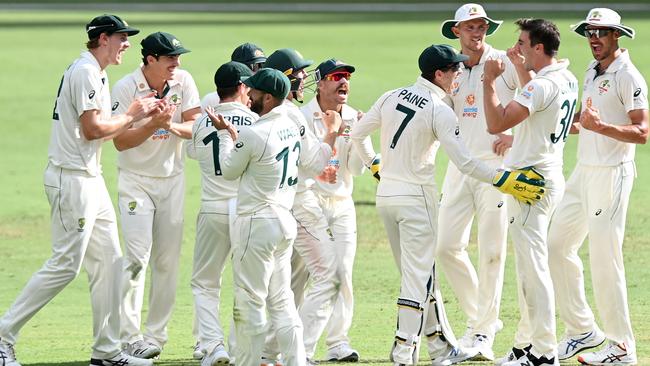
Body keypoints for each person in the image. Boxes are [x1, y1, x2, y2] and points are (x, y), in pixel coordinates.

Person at [350, 44, 545, 366]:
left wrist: (374, 165)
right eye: (455, 70)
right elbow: (466, 163)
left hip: (386, 197)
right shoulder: (439, 110)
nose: (459, 75)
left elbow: (357, 135)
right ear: (438, 74)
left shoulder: (390, 95)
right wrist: (503, 179)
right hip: (416, 200)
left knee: (421, 275)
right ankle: (403, 351)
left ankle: (440, 346)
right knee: (417, 278)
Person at [0, 14, 159, 366]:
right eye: (122, 38)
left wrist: (145, 117)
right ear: (103, 39)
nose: (127, 44)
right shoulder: (86, 71)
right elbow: (92, 129)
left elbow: (104, 130)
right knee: (66, 265)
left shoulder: (97, 72)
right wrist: (133, 114)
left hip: (90, 177)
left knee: (110, 263)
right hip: (70, 179)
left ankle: (106, 352)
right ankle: (2, 335)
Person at [205, 68, 341, 366]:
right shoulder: (292, 123)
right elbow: (313, 161)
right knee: (282, 301)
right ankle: (296, 361)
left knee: (250, 300)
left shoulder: (255, 133)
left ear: (267, 97)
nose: (248, 96)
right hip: (284, 221)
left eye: (253, 92)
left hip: (256, 222)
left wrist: (223, 134)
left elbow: (228, 171)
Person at [548, 8, 648, 365]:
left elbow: (642, 132)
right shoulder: (592, 70)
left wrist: (600, 126)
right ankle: (581, 330)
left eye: (602, 32)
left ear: (616, 35)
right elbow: (583, 122)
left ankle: (622, 347)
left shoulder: (629, 76)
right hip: (584, 172)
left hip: (612, 173)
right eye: (590, 31)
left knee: (606, 261)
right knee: (556, 244)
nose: (594, 38)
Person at [436, 3, 530, 360]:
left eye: (482, 27)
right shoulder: (450, 69)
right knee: (446, 246)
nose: (477, 33)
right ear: (456, 31)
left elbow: (533, 97)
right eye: (470, 27)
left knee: (492, 252)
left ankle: (481, 332)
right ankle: (484, 318)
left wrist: (515, 137)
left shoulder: (501, 62)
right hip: (459, 169)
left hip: (495, 168)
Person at [482, 18, 578, 366]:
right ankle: (528, 345)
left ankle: (544, 351)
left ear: (539, 47)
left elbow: (496, 123)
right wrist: (523, 70)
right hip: (549, 174)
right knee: (530, 266)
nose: (517, 48)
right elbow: (535, 105)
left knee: (533, 269)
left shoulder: (540, 87)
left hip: (530, 182)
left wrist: (489, 80)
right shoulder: (566, 78)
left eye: (523, 43)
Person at [111, 31, 201, 359]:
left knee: (167, 261)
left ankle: (155, 337)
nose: (176, 64)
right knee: (137, 258)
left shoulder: (183, 81)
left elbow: (196, 126)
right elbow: (120, 142)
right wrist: (152, 125)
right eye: (170, 59)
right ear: (150, 59)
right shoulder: (125, 88)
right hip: (135, 181)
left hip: (172, 181)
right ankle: (128, 338)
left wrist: (170, 126)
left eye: (178, 58)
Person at [262, 48, 341, 365]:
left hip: (272, 205)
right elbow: (312, 161)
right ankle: (300, 353)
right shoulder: (293, 114)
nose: (303, 79)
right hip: (299, 203)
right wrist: (332, 133)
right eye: (299, 74)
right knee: (329, 276)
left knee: (285, 286)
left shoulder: (261, 112)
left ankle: (267, 352)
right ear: (284, 78)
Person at [297, 59, 377, 362]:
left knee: (343, 273)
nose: (343, 83)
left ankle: (337, 343)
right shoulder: (303, 117)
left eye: (346, 77)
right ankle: (296, 346)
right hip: (309, 203)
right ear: (320, 84)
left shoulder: (354, 117)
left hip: (342, 203)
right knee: (303, 277)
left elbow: (355, 169)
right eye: (336, 77)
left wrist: (359, 134)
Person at [186, 61, 257, 365]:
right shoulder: (255, 120)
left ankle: (213, 346)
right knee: (246, 283)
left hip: (212, 209)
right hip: (244, 210)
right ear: (242, 87)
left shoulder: (202, 122)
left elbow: (192, 152)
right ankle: (240, 348)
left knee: (205, 283)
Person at [201, 42, 267, 111]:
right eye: (256, 66)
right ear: (238, 67)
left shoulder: (267, 97)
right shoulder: (212, 100)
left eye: (263, 65)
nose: (260, 71)